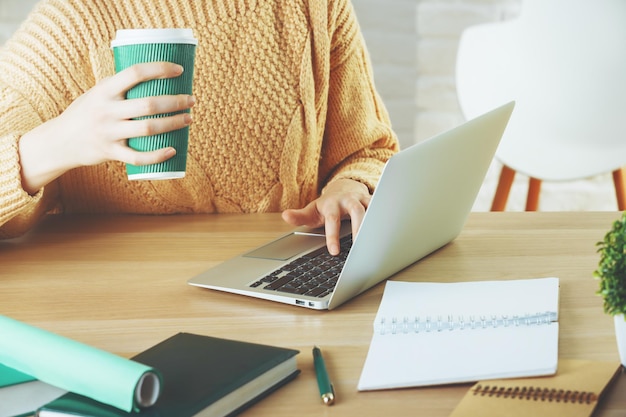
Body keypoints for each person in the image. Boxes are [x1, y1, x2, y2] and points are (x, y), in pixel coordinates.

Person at [0, 0, 399, 255]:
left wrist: (350, 187)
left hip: (288, 282)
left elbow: (368, 151)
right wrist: (59, 142)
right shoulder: (69, 24)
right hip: (125, 311)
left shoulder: (317, 7)